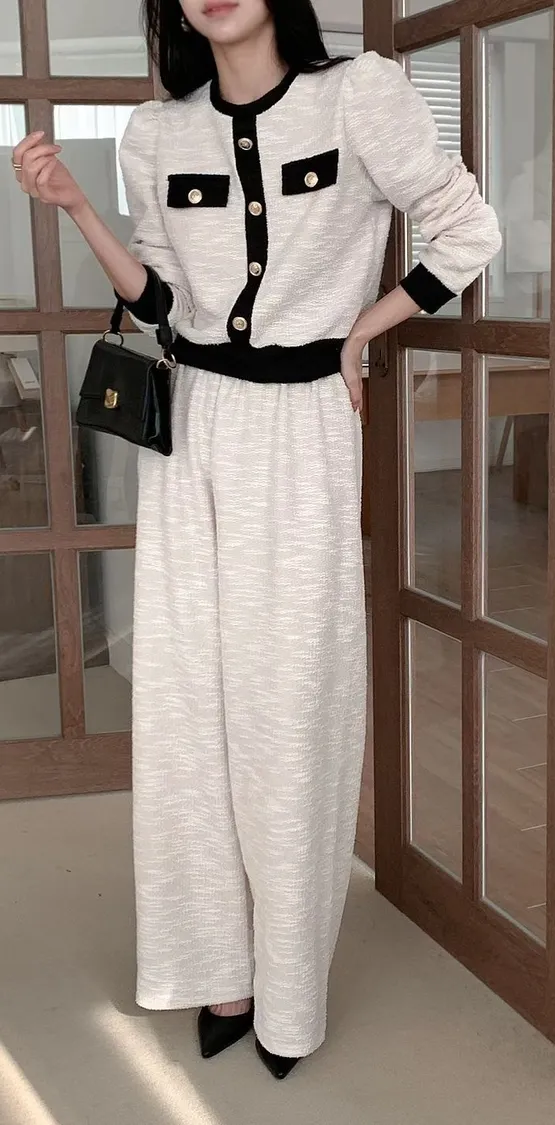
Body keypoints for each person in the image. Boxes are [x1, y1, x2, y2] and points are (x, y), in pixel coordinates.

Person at [12, 0, 501, 1081]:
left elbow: (469, 230)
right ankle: (215, 969)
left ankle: (288, 988)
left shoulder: (358, 97)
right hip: (192, 430)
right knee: (188, 700)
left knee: (290, 706)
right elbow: (162, 304)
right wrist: (76, 207)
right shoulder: (158, 132)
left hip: (303, 429)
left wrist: (362, 332)